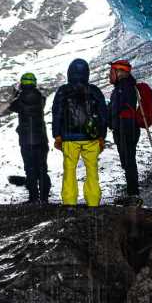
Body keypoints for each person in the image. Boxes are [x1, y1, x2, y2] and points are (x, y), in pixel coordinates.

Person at [51, 59, 107, 207]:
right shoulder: (94, 91)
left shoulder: (63, 90)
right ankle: (93, 201)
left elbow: (57, 113)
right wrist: (102, 136)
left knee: (69, 170)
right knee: (92, 170)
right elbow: (103, 114)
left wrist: (57, 135)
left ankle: (69, 202)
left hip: (69, 138)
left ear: (70, 73)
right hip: (92, 138)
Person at [9, 72, 50, 203]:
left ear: (22, 83)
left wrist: (17, 93)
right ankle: (44, 198)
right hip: (41, 139)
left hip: (26, 140)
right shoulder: (41, 98)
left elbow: (11, 107)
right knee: (42, 168)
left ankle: (33, 197)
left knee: (30, 168)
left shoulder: (19, 100)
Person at [108, 59, 142, 206]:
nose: (110, 75)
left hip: (125, 127)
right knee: (129, 160)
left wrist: (108, 119)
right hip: (128, 126)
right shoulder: (128, 85)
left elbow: (116, 108)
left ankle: (133, 195)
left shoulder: (123, 86)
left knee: (128, 161)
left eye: (112, 71)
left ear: (119, 72)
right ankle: (132, 193)